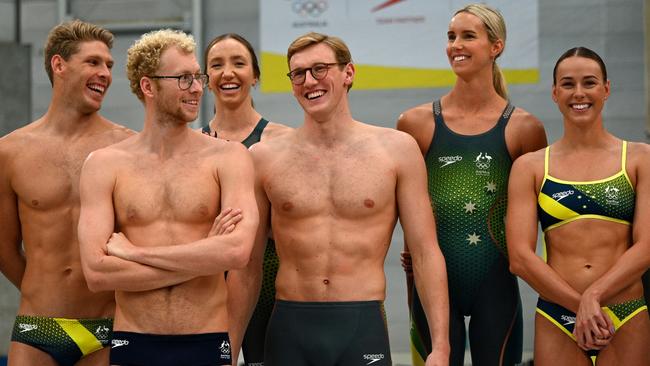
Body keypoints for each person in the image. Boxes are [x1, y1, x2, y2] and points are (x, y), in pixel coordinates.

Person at [249, 32, 450, 366]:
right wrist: (228, 344)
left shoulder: (396, 150)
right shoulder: (265, 158)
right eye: (298, 73)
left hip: (361, 326)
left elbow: (426, 252)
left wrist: (440, 347)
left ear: (348, 73)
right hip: (289, 328)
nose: (308, 81)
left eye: (319, 69)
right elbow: (248, 266)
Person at [77, 29, 259, 366]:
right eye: (184, 78)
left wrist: (135, 253)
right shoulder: (104, 165)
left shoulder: (229, 158)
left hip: (206, 340)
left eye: (197, 77)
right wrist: (205, 255)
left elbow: (236, 251)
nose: (197, 88)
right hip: (133, 342)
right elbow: (98, 273)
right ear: (148, 86)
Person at [397, 4, 547, 365]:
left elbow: (545, 221)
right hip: (430, 289)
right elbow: (405, 214)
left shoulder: (525, 129)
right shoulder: (415, 124)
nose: (456, 45)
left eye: (468, 36)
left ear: (496, 46)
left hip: (496, 288)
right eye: (451, 36)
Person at [0, 20, 133, 366]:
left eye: (108, 65)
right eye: (93, 62)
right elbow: (3, 247)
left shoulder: (129, 147)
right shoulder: (10, 152)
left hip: (108, 326)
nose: (104, 73)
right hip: (37, 327)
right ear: (59, 65)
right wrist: (41, 285)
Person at [507, 47, 650, 366]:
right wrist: (581, 305)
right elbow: (519, 258)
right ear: (555, 93)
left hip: (625, 313)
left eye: (589, 82)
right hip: (559, 316)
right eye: (568, 84)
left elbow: (646, 247)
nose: (579, 93)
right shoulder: (530, 167)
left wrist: (594, 297)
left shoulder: (640, 159)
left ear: (606, 89)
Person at [202, 33, 291, 365]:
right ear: (205, 79)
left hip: (271, 293)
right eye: (217, 65)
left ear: (255, 76)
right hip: (208, 294)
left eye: (238, 63)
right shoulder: (192, 147)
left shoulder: (283, 141)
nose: (228, 73)